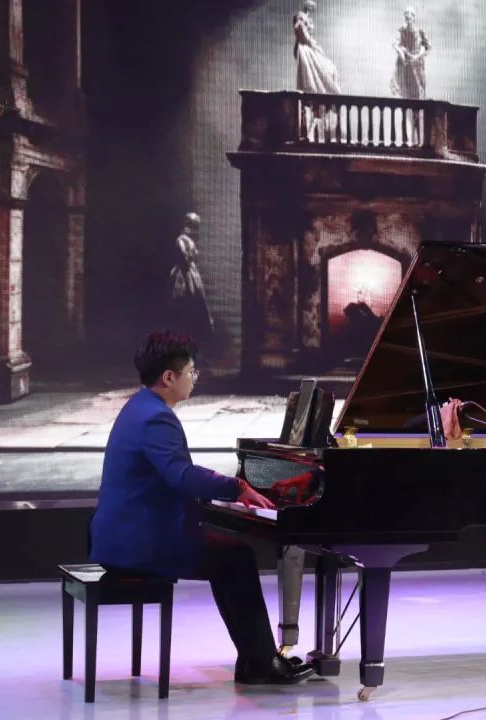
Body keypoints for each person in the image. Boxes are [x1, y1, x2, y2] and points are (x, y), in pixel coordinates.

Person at [89, 331, 315, 684]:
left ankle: (255, 659)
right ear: (169, 377)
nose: (194, 379)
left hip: (123, 536)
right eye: (191, 372)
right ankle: (260, 663)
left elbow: (175, 476)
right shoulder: (156, 418)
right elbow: (181, 476)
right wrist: (237, 488)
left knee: (230, 557)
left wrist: (227, 491)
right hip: (137, 543)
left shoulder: (139, 407)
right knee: (236, 558)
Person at [168, 212, 214, 344]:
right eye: (192, 226)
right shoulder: (181, 240)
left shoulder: (189, 241)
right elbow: (185, 259)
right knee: (183, 307)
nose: (194, 230)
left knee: (195, 305)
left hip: (190, 274)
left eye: (195, 227)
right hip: (183, 277)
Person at [294, 0, 341, 94]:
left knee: (326, 65)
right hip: (305, 46)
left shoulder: (308, 18)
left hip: (310, 44)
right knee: (311, 69)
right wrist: (309, 41)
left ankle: (326, 88)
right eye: (310, 7)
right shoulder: (301, 16)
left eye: (312, 8)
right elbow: (299, 29)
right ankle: (315, 89)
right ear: (307, 6)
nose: (311, 9)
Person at [390, 7, 431, 100]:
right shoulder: (402, 30)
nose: (408, 18)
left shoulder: (420, 31)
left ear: (414, 17)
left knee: (418, 88)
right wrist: (401, 52)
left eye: (410, 16)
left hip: (416, 63)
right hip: (405, 63)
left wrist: (417, 56)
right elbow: (395, 44)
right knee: (404, 89)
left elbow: (426, 47)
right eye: (406, 16)